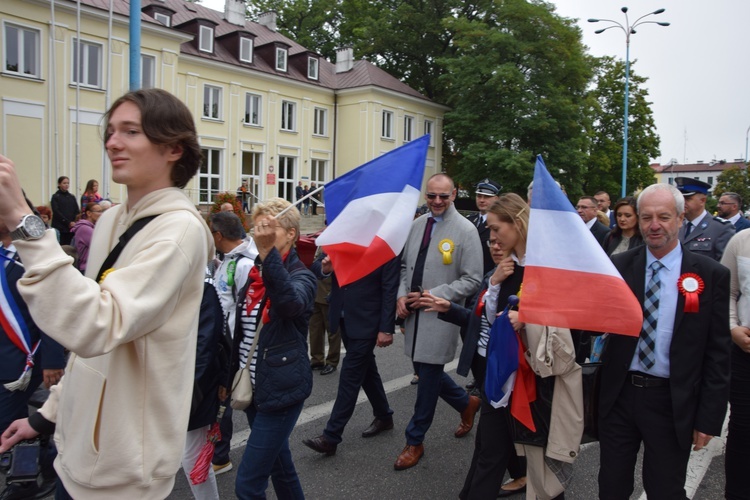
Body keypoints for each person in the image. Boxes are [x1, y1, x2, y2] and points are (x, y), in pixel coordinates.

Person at [0, 88, 213, 499]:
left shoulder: (179, 231)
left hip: (123, 472)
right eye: (111, 131)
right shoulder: (114, 217)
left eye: (131, 131)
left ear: (173, 148)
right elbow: (89, 351)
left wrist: (21, 220)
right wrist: (47, 416)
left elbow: (95, 325)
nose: (112, 142)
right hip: (76, 455)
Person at [598, 183, 731, 499]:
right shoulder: (618, 267)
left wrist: (709, 417)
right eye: (646, 217)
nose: (653, 225)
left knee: (665, 490)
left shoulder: (709, 275)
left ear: (681, 218)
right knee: (611, 487)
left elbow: (717, 352)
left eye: (663, 217)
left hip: (672, 402)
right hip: (620, 396)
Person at [422, 193, 528, 498]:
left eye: (496, 230)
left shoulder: (533, 272)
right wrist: (454, 306)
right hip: (493, 372)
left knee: (496, 452)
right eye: (490, 232)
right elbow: (484, 319)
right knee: (489, 448)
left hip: (520, 379)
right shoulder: (501, 271)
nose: (491, 238)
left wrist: (529, 318)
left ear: (517, 224)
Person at [394, 173, 483, 470]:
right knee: (422, 367)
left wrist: (437, 295)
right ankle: (465, 403)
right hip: (414, 313)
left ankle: (414, 439)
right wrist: (401, 295)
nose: (437, 201)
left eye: (443, 196)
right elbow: (406, 266)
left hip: (441, 314)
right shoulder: (418, 225)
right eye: (431, 196)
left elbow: (472, 279)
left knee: (428, 378)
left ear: (455, 194)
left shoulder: (466, 230)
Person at [231, 198, 314, 499]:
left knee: (248, 485)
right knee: (281, 468)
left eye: (270, 227)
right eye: (258, 227)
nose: (261, 233)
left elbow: (290, 304)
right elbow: (240, 334)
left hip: (281, 390)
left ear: (291, 233)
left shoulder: (301, 276)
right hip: (254, 388)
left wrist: (268, 256)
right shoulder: (254, 274)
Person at [302, 253, 399, 455]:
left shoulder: (385, 243)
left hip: (368, 320)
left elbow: (389, 289)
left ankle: (331, 436)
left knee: (350, 375)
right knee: (367, 371)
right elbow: (316, 266)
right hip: (343, 316)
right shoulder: (346, 236)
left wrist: (386, 328)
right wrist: (325, 268)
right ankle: (384, 416)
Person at [0, 212, 66, 500]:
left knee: (10, 421)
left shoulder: (32, 256)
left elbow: (51, 307)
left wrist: (53, 359)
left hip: (22, 357)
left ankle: (27, 478)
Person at [208, 210, 257, 475]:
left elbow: (244, 312)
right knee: (220, 400)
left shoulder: (245, 264)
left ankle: (220, 456)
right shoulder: (226, 260)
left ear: (218, 234)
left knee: (225, 400)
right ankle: (217, 452)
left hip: (231, 346)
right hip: (218, 343)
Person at [720, 230, 750, 500]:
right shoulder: (742, 241)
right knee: (742, 429)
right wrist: (732, 327)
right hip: (744, 352)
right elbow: (728, 291)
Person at [675, 176, 734, 261]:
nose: (682, 202)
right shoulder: (677, 225)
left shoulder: (721, 228)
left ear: (702, 201)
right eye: (680, 199)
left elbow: (725, 266)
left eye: (687, 199)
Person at [308, 247, 341, 375]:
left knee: (333, 330)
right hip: (315, 292)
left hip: (329, 292)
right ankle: (317, 359)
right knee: (314, 329)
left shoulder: (338, 241)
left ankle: (332, 361)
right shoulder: (321, 240)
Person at [467, 178, 501, 275]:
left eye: (486, 197)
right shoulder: (469, 220)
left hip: (488, 275)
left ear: (496, 199)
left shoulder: (500, 224)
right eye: (479, 196)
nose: (482, 200)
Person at [70, 202, 103, 273]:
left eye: (102, 211)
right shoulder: (84, 228)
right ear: (89, 213)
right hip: (86, 267)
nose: (101, 214)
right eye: (98, 211)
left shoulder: (93, 227)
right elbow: (99, 245)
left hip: (91, 266)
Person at [49, 176, 78, 246]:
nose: (66, 185)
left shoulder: (71, 197)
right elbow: (56, 211)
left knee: (69, 245)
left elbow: (76, 210)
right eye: (64, 183)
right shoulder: (55, 197)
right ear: (59, 184)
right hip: (60, 226)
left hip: (71, 227)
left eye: (68, 183)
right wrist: (67, 222)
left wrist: (74, 221)